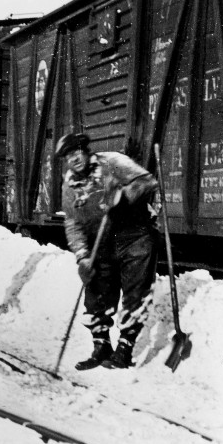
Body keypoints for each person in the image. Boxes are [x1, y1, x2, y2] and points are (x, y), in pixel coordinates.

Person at [55, 133, 158, 370]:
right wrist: (82, 256)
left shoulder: (112, 161)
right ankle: (101, 347)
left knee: (135, 293)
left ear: (85, 150)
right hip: (101, 242)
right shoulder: (70, 184)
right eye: (68, 156)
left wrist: (124, 196)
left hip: (134, 236)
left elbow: (148, 181)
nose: (74, 159)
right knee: (96, 292)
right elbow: (73, 223)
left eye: (76, 152)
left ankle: (124, 350)